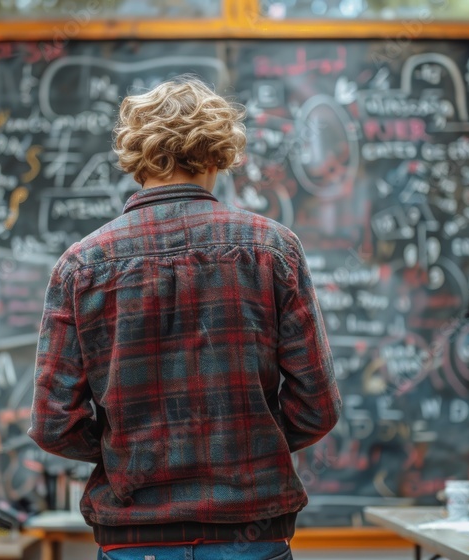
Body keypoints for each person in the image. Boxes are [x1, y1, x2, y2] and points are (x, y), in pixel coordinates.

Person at [29, 75, 342, 560]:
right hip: (250, 533)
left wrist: (129, 450)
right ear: (221, 152)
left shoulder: (80, 265)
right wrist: (251, 440)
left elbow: (53, 424)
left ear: (136, 155)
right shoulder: (273, 249)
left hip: (135, 538)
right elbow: (317, 407)